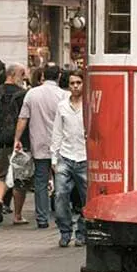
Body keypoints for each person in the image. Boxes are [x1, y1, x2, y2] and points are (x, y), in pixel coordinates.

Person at [15, 64, 68, 228]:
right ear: (59, 76)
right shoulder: (64, 95)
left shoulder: (32, 94)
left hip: (38, 142)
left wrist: (17, 139)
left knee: (40, 181)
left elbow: (23, 118)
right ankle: (61, 215)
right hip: (60, 144)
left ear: (43, 75)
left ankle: (42, 217)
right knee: (62, 181)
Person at [50, 70, 88, 245]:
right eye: (72, 83)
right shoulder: (62, 106)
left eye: (78, 83)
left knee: (87, 199)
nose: (75, 86)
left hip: (85, 157)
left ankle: (82, 232)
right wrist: (54, 157)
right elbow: (57, 131)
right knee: (60, 195)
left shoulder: (89, 105)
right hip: (65, 156)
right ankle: (65, 231)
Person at [0, 64, 27, 224]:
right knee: (18, 175)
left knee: (0, 173)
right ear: (13, 74)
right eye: (22, 74)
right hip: (17, 140)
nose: (23, 78)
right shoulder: (22, 94)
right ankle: (16, 212)